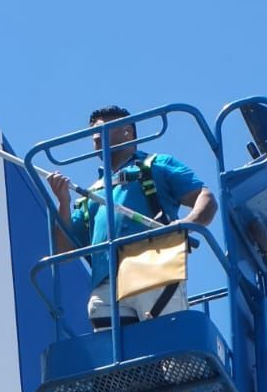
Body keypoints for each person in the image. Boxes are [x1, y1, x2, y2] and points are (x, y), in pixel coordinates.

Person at [47, 105, 217, 329]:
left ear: (127, 131)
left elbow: (205, 198)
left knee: (170, 349)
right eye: (92, 133)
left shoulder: (156, 165)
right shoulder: (90, 195)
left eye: (102, 129)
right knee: (120, 358)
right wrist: (64, 203)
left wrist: (186, 224)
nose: (95, 136)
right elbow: (63, 252)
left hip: (153, 266)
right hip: (106, 282)